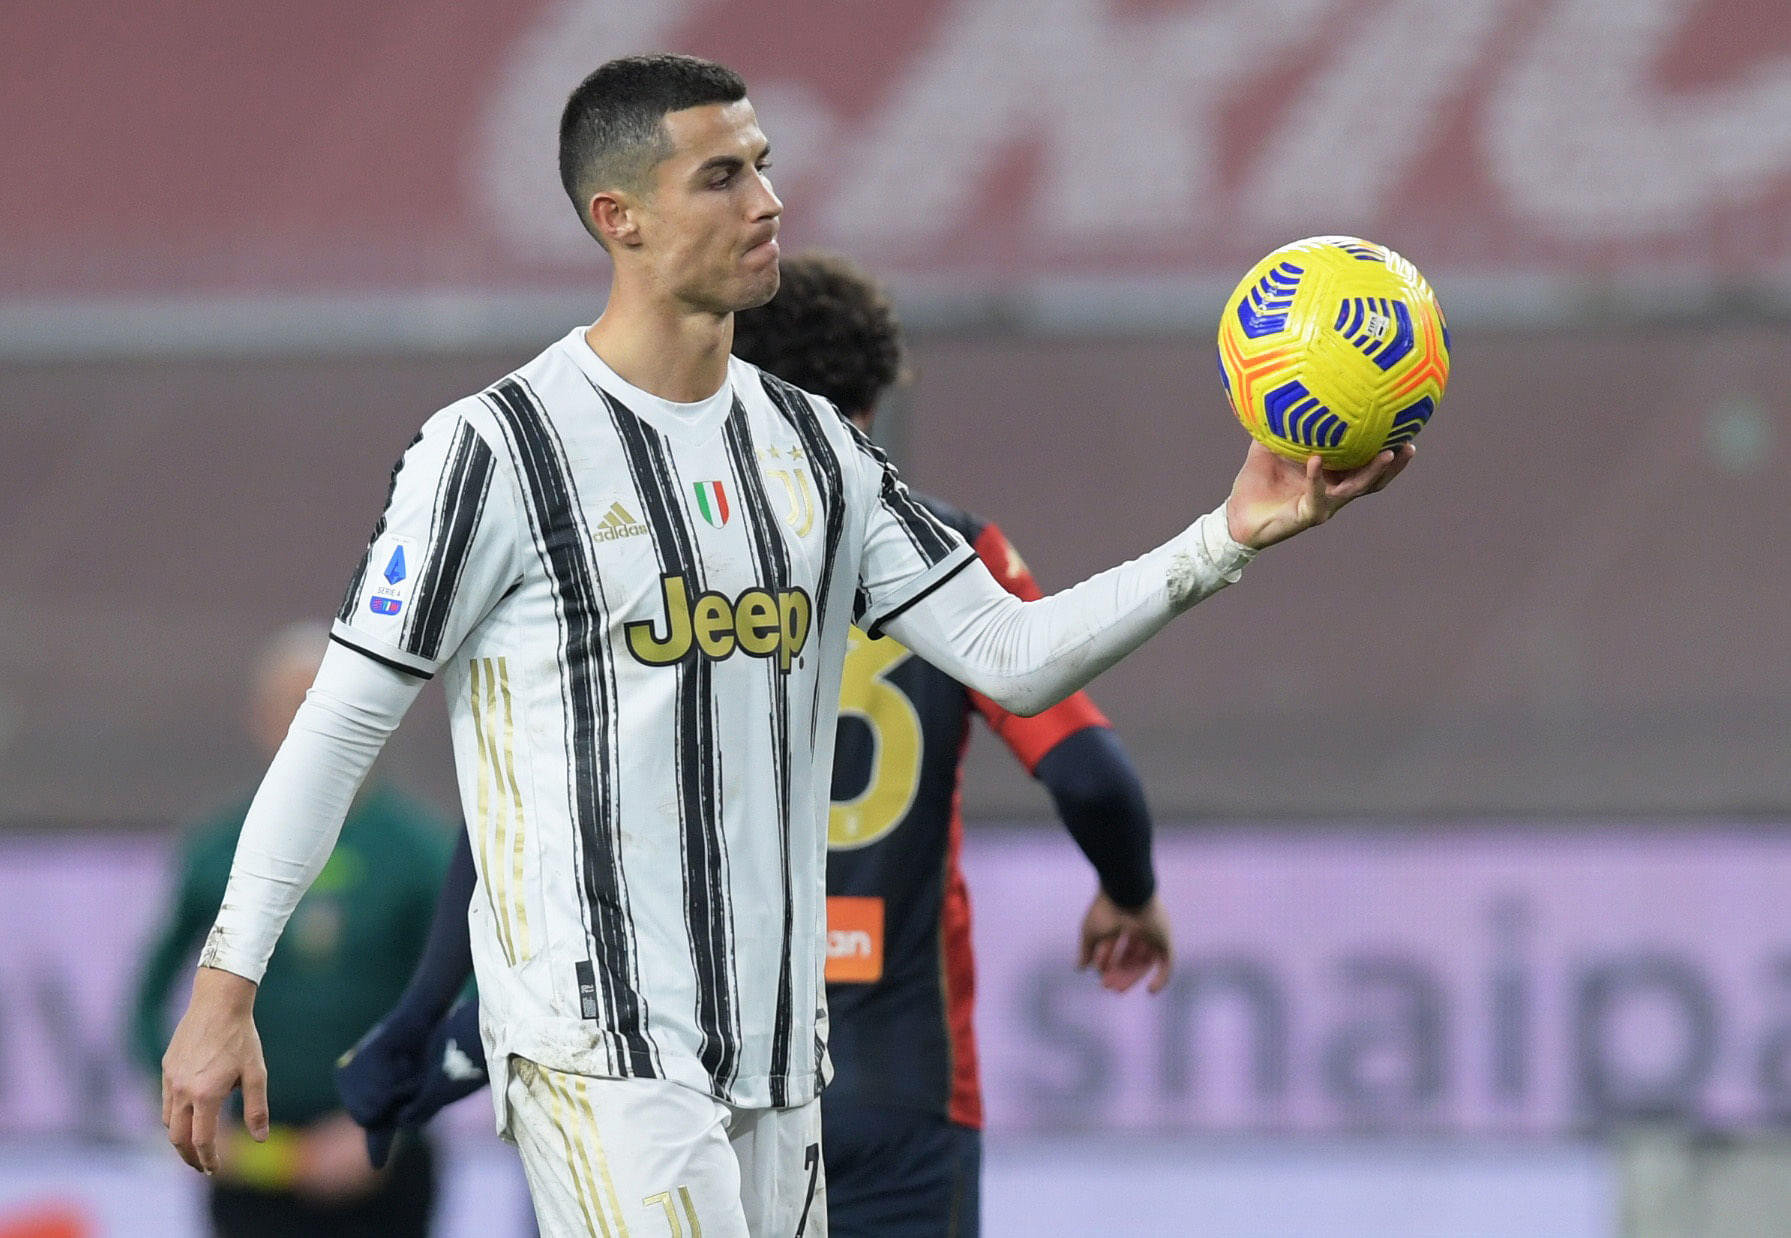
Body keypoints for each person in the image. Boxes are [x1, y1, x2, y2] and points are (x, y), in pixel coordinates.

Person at [160, 52, 1412, 1238]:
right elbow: (340, 727)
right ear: (621, 217)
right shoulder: (495, 452)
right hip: (604, 1051)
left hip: (781, 1051)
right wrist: (226, 989)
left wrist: (1229, 535)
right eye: (723, 175)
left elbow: (1012, 653)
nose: (769, 202)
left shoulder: (816, 447)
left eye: (762, 165)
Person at [332, 252, 1178, 1236]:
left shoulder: (651, 560)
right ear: (873, 399)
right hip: (900, 1079)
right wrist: (1130, 888)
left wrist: (425, 1006)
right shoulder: (952, 553)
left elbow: (519, 806)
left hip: (657, 1060)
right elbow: (1090, 774)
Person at [130, 622, 450, 1238]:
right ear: (259, 716)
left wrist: (392, 1119)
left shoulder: (417, 853)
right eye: (291, 708)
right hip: (252, 1163)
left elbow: (463, 997)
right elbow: (144, 1000)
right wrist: (176, 1095)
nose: (308, 730)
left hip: (378, 1160)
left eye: (324, 708)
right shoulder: (218, 848)